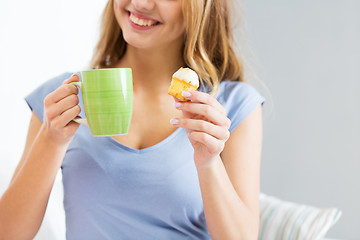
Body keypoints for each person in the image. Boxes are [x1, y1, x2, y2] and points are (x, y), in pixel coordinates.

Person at [0, 0, 265, 239]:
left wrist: (209, 163)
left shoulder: (233, 105)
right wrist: (51, 140)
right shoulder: (61, 99)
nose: (139, 3)